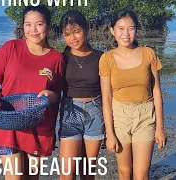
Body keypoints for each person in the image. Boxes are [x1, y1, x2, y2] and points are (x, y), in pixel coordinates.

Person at [0, 5, 64, 180]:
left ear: (48, 25)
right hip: (7, 124)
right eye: (28, 24)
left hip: (39, 127)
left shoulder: (57, 58)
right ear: (22, 26)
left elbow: (57, 94)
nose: (33, 30)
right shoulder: (10, 48)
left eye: (39, 24)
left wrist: (49, 95)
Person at [99, 10, 166, 180]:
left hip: (145, 115)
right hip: (119, 116)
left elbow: (157, 91)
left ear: (136, 30)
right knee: (124, 172)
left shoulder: (148, 53)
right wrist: (110, 133)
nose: (126, 34)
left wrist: (160, 128)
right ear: (112, 31)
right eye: (120, 28)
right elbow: (106, 99)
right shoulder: (106, 59)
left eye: (131, 28)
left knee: (141, 173)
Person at [58, 10, 105, 180]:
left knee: (87, 172)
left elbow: (108, 93)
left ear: (86, 29)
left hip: (95, 113)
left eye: (77, 31)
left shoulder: (102, 57)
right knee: (67, 173)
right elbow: (52, 88)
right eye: (67, 34)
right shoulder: (61, 59)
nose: (73, 38)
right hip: (70, 112)